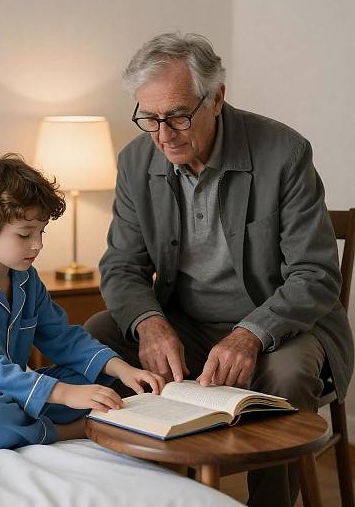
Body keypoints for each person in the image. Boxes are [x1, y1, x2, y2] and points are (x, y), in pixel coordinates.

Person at [83, 32, 353, 507]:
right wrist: (149, 324)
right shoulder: (134, 160)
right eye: (149, 118)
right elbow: (122, 266)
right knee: (98, 335)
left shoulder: (284, 153)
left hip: (280, 330)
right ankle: (144, 492)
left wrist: (250, 334)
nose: (164, 135)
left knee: (288, 375)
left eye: (179, 116)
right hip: (185, 323)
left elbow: (315, 273)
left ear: (218, 98)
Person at [0, 153, 164, 451]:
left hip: (11, 390)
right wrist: (64, 395)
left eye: (41, 232)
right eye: (25, 234)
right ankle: (69, 430)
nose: (38, 244)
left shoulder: (25, 277)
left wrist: (120, 368)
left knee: (100, 380)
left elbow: (62, 338)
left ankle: (33, 414)